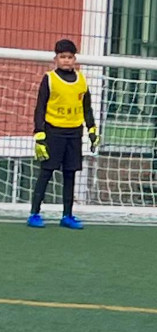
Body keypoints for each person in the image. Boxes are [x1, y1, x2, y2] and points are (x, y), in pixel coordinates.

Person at [28, 39, 98, 230]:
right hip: (53, 132)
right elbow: (40, 107)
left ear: (75, 59)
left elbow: (87, 108)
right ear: (56, 59)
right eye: (62, 57)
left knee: (70, 173)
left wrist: (92, 130)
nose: (66, 60)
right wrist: (39, 133)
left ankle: (67, 215)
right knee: (46, 172)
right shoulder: (49, 79)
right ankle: (34, 213)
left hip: (74, 133)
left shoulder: (82, 80)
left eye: (70, 57)